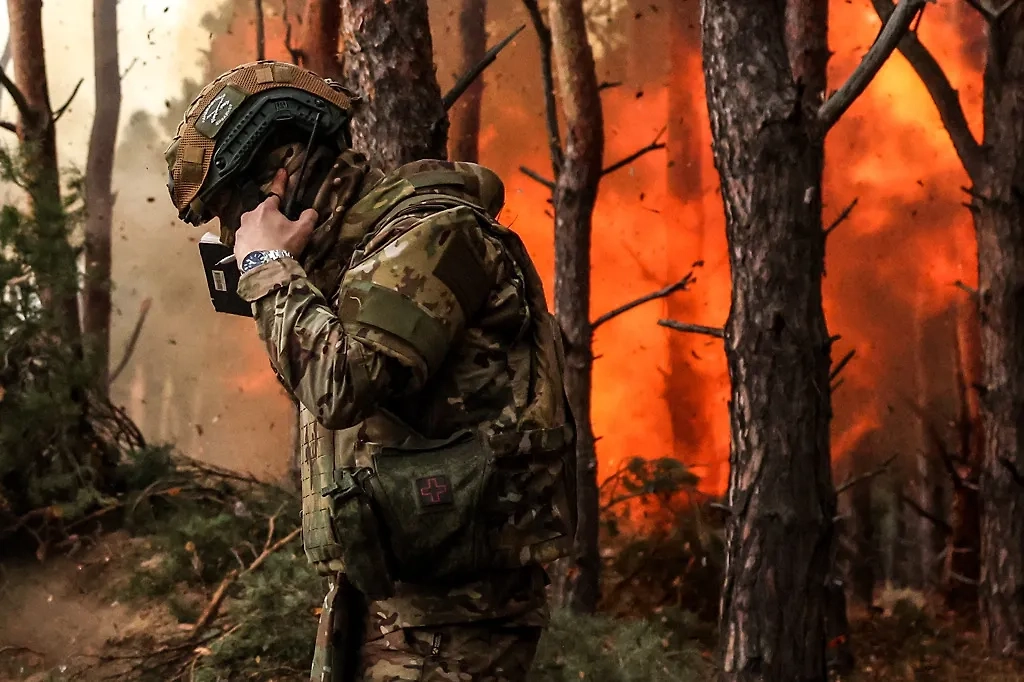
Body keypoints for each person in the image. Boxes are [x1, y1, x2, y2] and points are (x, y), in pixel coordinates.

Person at [164, 60, 577, 682]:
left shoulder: (433, 233)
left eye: (234, 205)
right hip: (383, 595)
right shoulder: (357, 259)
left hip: (453, 616)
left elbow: (343, 385)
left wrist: (271, 268)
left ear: (287, 171)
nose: (232, 230)